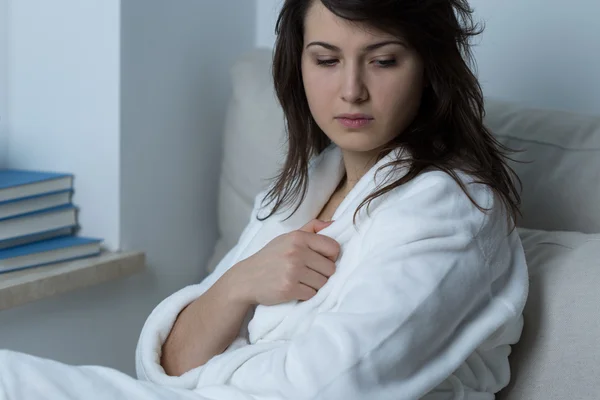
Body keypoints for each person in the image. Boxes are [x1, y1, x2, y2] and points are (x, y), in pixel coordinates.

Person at [0, 0, 528, 399]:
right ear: (297, 67)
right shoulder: (304, 187)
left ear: (429, 67)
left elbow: (325, 390)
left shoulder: (453, 209)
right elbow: (166, 362)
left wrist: (212, 369)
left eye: (383, 60)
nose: (351, 90)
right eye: (326, 59)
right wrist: (237, 285)